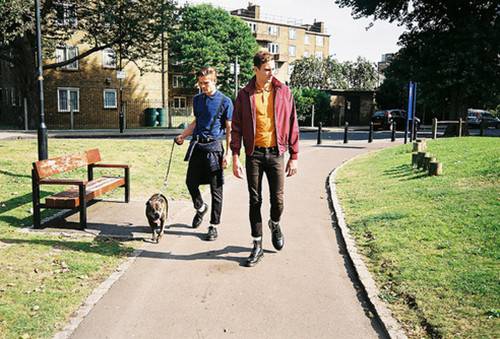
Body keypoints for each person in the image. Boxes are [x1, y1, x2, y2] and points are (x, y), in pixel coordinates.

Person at [230, 51, 299, 267]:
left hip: (277, 153)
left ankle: (275, 223)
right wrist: (234, 155)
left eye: (273, 69)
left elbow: (292, 121)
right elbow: (237, 127)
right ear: (256, 70)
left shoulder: (283, 91)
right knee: (255, 200)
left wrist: (294, 155)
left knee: (277, 199)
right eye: (267, 69)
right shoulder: (244, 95)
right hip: (254, 154)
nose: (271, 73)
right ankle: (257, 244)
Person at [175, 67, 233, 241]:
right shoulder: (197, 100)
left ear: (215, 81)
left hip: (214, 149)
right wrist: (183, 135)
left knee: (216, 190)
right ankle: (200, 208)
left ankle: (213, 226)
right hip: (197, 147)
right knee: (190, 182)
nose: (203, 86)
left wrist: (228, 153)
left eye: (206, 83)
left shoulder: (225, 101)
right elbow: (197, 122)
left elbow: (230, 128)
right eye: (200, 83)